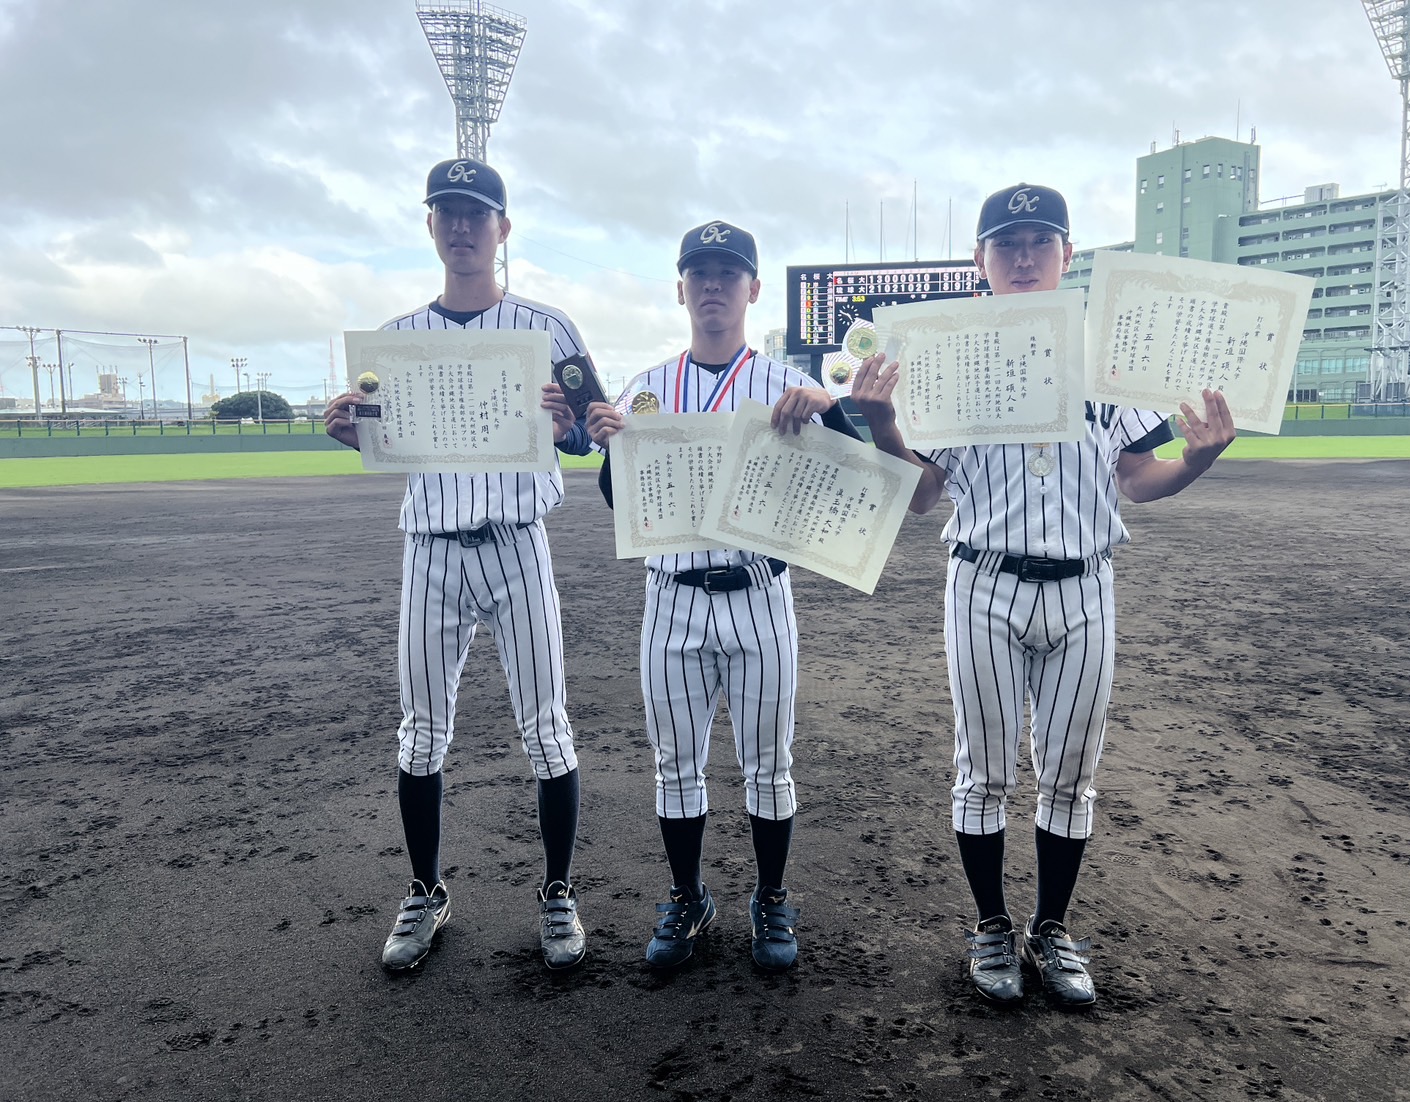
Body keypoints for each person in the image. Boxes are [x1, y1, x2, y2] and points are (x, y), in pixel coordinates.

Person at [851, 183, 1236, 1008]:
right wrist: (885, 428)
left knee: (1069, 774)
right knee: (982, 772)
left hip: (1085, 588)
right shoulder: (944, 358)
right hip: (982, 584)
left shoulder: (1109, 360)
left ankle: (1050, 928)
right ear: (978, 263)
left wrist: (1198, 459)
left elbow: (1135, 478)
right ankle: (990, 925)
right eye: (1005, 243)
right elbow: (921, 497)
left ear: (1067, 255)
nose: (1022, 256)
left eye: (1038, 241)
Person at [324, 157, 595, 973]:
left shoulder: (549, 328)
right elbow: (377, 437)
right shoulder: (394, 343)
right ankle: (424, 890)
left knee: (546, 729)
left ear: (503, 229)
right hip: (432, 550)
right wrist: (348, 430)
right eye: (448, 211)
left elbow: (591, 433)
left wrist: (567, 423)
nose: (463, 225)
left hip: (518, 544)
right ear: (431, 225)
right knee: (420, 732)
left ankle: (556, 891)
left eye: (477, 212)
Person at [584, 220, 859, 972]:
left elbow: (855, 479)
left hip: (760, 595)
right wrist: (613, 449)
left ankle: (769, 897)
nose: (712, 285)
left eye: (726, 273)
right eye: (698, 272)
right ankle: (687, 896)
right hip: (671, 597)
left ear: (752, 290)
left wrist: (829, 414)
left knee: (769, 764)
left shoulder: (785, 384)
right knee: (675, 764)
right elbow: (623, 502)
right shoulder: (644, 387)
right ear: (680, 288)